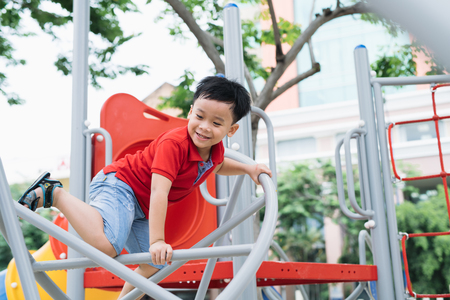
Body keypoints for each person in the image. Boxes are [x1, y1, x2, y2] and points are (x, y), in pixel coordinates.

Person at [18, 76, 272, 299]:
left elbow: (217, 165)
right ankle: (56, 193)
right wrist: (157, 240)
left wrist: (249, 169)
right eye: (200, 116)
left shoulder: (213, 150)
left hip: (140, 205)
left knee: (156, 264)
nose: (205, 127)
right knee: (109, 246)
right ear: (191, 111)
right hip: (120, 184)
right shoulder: (174, 144)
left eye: (217, 123)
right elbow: (159, 191)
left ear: (232, 129)